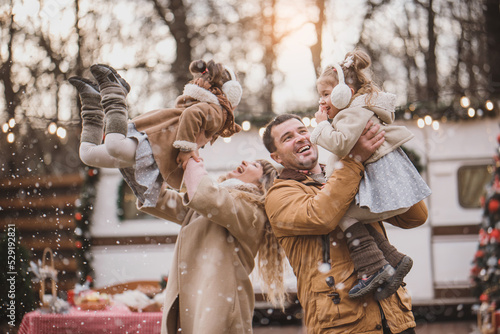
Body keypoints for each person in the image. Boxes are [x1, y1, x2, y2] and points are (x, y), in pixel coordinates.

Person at [263, 114, 428, 333]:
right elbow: (322, 216)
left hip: (396, 317)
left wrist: (382, 157)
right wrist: (355, 158)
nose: (300, 138)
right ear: (277, 157)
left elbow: (414, 217)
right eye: (287, 137)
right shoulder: (280, 194)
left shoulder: (344, 172)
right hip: (342, 324)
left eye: (302, 131)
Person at [310, 49, 431, 300]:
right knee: (345, 212)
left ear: (346, 92)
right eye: (319, 95)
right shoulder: (359, 110)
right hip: (381, 184)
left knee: (337, 210)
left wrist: (321, 125)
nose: (321, 101)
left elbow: (341, 144)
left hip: (380, 188)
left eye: (325, 94)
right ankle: (391, 259)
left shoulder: (354, 112)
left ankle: (373, 266)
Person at [138, 157, 287, 333]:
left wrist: (192, 157)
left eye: (255, 165)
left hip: (218, 304)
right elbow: (159, 200)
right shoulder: (212, 203)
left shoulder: (252, 209)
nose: (245, 162)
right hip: (195, 300)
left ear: (262, 184)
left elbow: (206, 196)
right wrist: (146, 158)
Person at [69, 59, 242, 208]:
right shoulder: (218, 112)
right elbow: (192, 116)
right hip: (154, 145)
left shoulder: (198, 103)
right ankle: (115, 92)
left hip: (152, 142)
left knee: (87, 155)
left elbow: (191, 118)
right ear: (230, 95)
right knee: (114, 146)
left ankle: (92, 104)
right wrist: (186, 148)